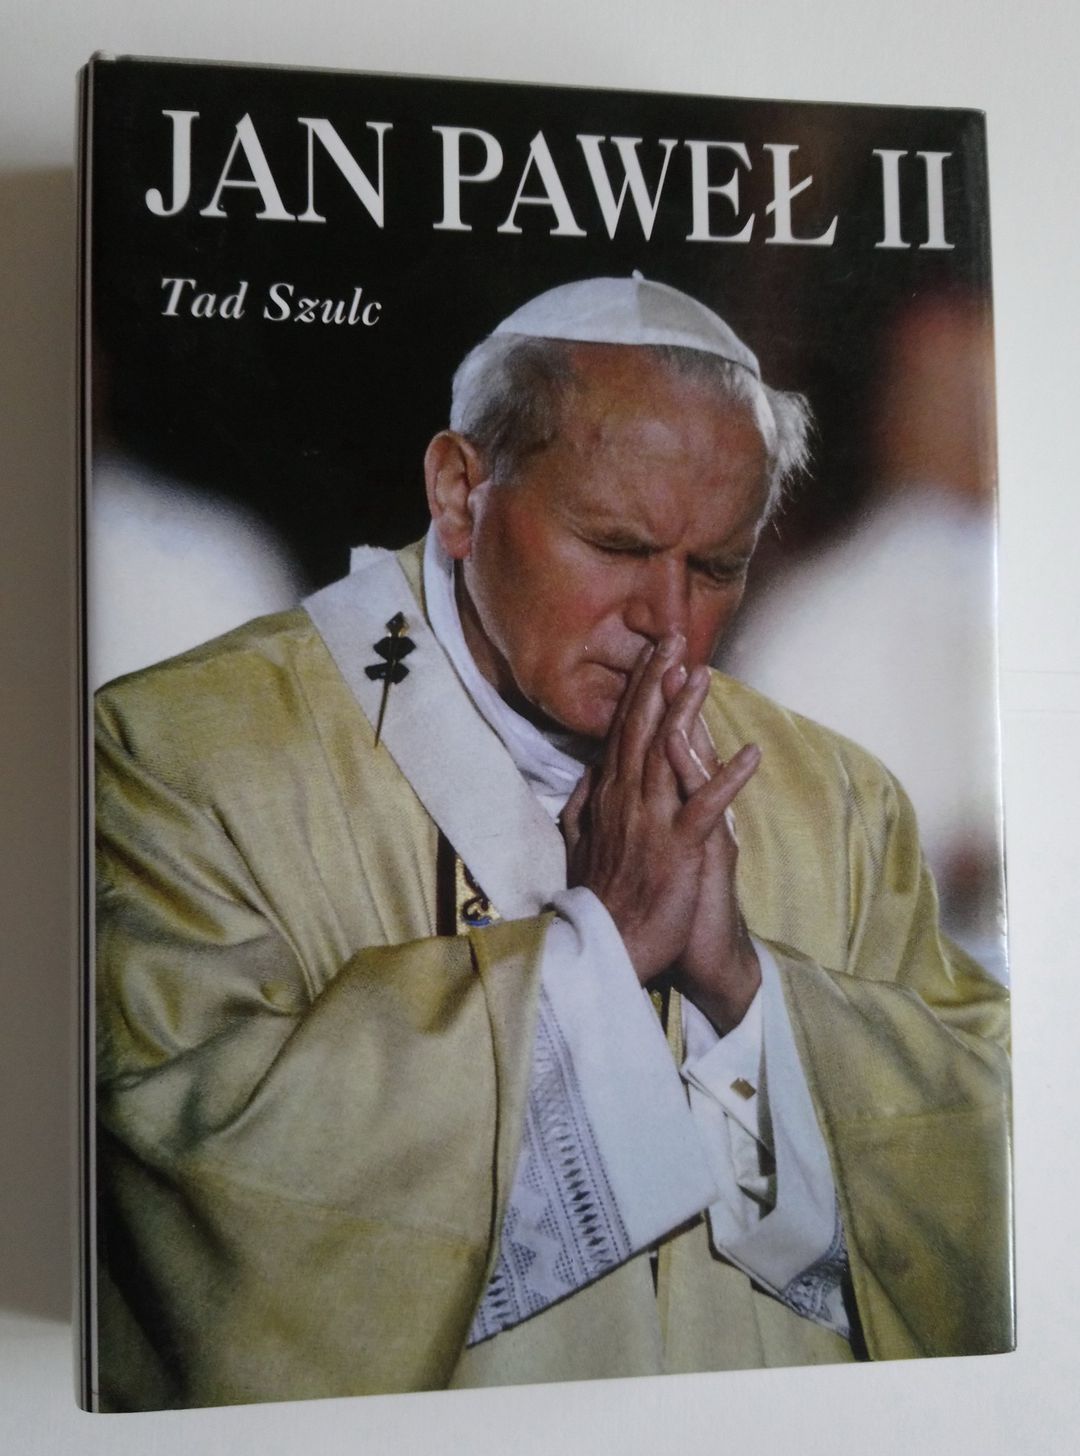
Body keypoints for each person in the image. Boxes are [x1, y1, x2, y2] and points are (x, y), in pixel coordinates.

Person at [93, 275, 1012, 1412]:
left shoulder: (837, 801)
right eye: (615, 545)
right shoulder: (184, 756)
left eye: (716, 567)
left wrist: (748, 992)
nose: (667, 624)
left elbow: (988, 1152)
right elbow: (187, 1185)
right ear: (459, 491)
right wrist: (597, 952)